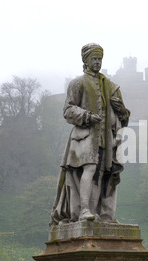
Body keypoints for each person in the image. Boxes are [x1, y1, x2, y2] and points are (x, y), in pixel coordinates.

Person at [50, 43, 130, 225]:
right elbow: (68, 110)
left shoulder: (110, 86)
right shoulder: (78, 83)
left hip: (106, 139)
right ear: (85, 61)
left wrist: (122, 110)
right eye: (94, 59)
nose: (97, 63)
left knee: (102, 174)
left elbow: (123, 116)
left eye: (100, 59)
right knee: (90, 168)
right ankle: (84, 209)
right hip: (84, 137)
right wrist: (86, 116)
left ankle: (101, 214)